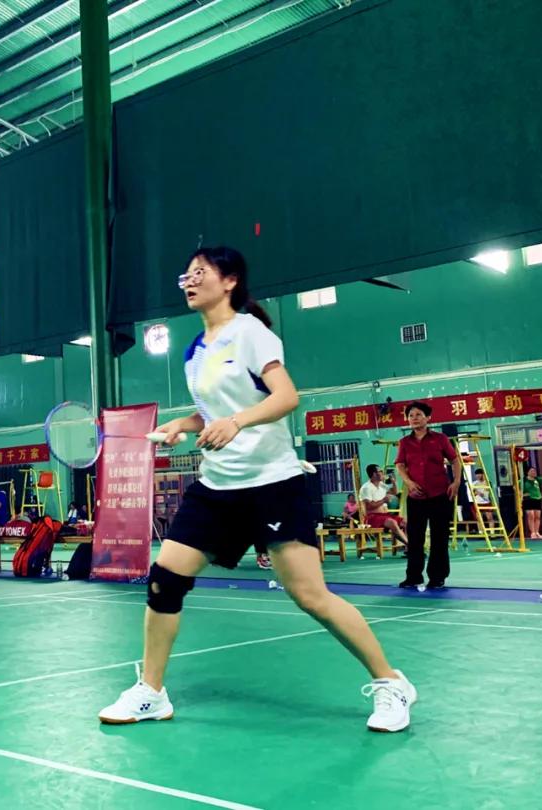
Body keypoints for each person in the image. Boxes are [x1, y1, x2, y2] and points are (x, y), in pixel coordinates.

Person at [97, 246, 415, 733]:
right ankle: (152, 692)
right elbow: (215, 410)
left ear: (229, 281)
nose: (189, 281)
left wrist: (237, 422)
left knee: (310, 596)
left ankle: (391, 682)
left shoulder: (250, 333)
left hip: (272, 484)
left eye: (200, 273)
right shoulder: (194, 351)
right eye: (186, 275)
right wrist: (184, 424)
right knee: (164, 580)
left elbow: (286, 396)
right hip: (217, 486)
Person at [394, 402, 462, 589]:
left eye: (418, 414)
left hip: (440, 495)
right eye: (410, 415)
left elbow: (455, 460)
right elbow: (400, 465)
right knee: (415, 539)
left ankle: (437, 577)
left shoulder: (440, 439)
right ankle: (413, 576)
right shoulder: (404, 442)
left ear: (428, 417)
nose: (414, 418)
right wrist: (409, 483)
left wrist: (456, 482)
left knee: (440, 538)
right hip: (416, 497)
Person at [359, 464, 409, 550]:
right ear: (374, 474)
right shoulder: (366, 488)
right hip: (371, 518)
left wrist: (394, 482)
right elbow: (368, 507)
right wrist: (383, 500)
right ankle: (411, 545)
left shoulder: (381, 485)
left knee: (405, 522)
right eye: (380, 471)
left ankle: (408, 548)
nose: (383, 473)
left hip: (385, 516)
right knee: (392, 522)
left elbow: (394, 492)